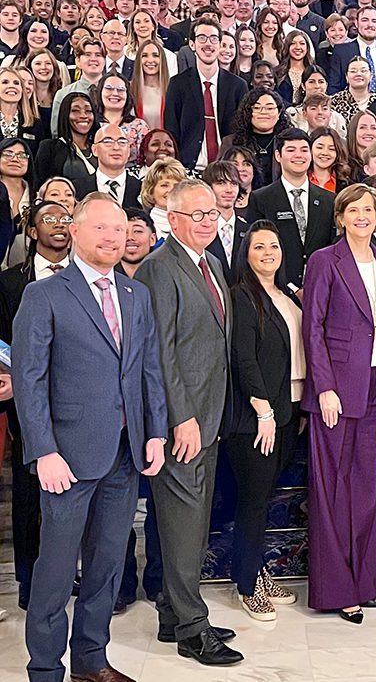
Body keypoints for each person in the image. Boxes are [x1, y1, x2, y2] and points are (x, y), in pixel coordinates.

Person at [13, 192, 168, 682]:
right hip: (67, 457)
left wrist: (155, 433)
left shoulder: (134, 294)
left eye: (120, 229)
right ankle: (44, 669)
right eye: (101, 227)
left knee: (106, 567)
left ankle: (90, 661)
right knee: (56, 573)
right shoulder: (44, 295)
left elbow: (148, 371)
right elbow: (29, 380)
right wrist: (42, 450)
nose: (112, 237)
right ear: (75, 231)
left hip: (125, 453)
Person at [135, 180, 242, 666]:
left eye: (213, 213)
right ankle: (193, 630)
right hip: (186, 420)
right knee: (182, 522)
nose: (207, 221)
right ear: (172, 220)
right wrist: (181, 418)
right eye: (196, 214)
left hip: (212, 413)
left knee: (194, 522)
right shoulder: (160, 268)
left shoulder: (212, 264)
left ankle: (171, 613)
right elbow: (161, 354)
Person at [302, 184, 376, 620]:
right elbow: (313, 328)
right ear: (340, 217)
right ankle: (337, 590)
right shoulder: (324, 261)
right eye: (353, 210)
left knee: (364, 487)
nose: (362, 216)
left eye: (369, 210)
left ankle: (365, 580)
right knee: (333, 489)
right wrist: (324, 387)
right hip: (337, 389)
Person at [0, 199, 73, 614]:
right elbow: (0, 337)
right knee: (30, 493)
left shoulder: (88, 278)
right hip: (28, 399)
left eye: (66, 218)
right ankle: (29, 578)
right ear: (32, 230)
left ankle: (65, 571)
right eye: (50, 219)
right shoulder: (11, 283)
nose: (59, 225)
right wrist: (16, 372)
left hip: (78, 400)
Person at [227, 219, 302, 622]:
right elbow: (244, 358)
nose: (268, 253)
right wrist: (264, 412)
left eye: (273, 246)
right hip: (258, 418)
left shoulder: (288, 295)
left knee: (266, 497)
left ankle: (257, 572)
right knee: (253, 503)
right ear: (247, 254)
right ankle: (246, 586)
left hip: (288, 411)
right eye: (259, 247)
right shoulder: (242, 296)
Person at [245, 129, 336, 291]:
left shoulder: (329, 200)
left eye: (304, 150)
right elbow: (255, 250)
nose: (299, 155)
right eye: (291, 150)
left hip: (322, 289)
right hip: (277, 290)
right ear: (278, 155)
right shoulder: (260, 199)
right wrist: (292, 288)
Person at [163, 17, 248, 171]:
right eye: (202, 38)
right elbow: (171, 130)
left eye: (214, 39)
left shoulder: (238, 86)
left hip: (227, 169)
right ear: (192, 44)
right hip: (188, 168)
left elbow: (243, 133)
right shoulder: (177, 84)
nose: (208, 44)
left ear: (220, 45)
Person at [75, 123, 142, 209]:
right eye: (108, 142)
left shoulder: (143, 189)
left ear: (129, 150)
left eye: (122, 142)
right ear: (94, 150)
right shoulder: (77, 189)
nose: (116, 147)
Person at [204, 159, 250, 286]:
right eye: (221, 183)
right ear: (208, 187)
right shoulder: (200, 230)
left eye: (234, 183)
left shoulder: (250, 231)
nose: (229, 190)